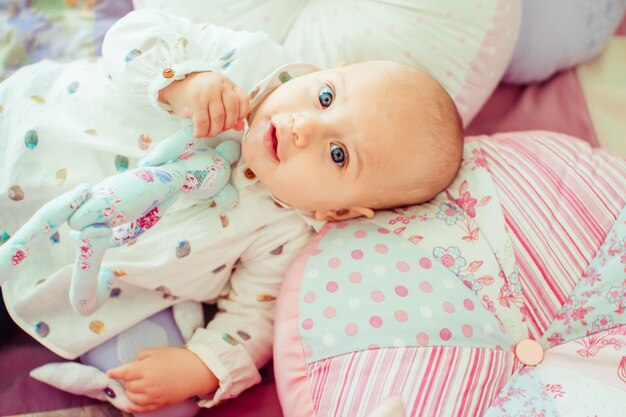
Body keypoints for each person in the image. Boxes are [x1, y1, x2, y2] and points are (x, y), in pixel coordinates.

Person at [0, 8, 463, 414]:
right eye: (326, 97)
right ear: (328, 71)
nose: (305, 127)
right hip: (32, 136)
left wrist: (201, 366)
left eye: (338, 154)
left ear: (341, 212)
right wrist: (182, 79)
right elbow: (134, 33)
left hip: (67, 261)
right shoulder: (247, 65)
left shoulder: (286, 236)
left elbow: (253, 321)